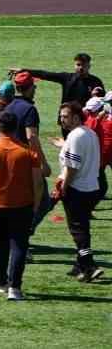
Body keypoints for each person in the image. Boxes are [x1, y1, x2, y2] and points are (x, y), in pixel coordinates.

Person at [0, 110, 42, 300]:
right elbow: (38, 183)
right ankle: (15, 287)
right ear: (17, 128)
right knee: (20, 246)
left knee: (0, 244)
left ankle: (1, 280)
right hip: (23, 205)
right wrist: (36, 205)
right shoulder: (28, 152)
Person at [55, 101, 104, 282]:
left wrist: (64, 187)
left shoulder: (75, 136)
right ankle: (80, 266)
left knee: (78, 230)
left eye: (65, 116)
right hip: (93, 187)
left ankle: (90, 265)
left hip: (77, 189)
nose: (62, 120)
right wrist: (64, 145)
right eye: (61, 116)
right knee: (83, 226)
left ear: (76, 117)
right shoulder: (89, 133)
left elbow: (72, 167)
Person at [13, 54, 103, 107]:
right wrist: (24, 70)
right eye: (78, 65)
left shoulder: (95, 81)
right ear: (74, 65)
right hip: (67, 118)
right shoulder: (67, 78)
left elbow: (102, 101)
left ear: (89, 66)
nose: (81, 68)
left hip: (85, 118)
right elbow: (45, 74)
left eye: (84, 65)